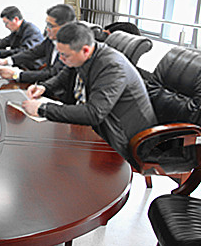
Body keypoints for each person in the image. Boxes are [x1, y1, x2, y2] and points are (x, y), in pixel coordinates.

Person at [21, 22, 157, 167]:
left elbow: (94, 113)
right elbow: (64, 75)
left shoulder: (112, 66)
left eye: (64, 55)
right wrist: (44, 87)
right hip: (99, 126)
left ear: (85, 50)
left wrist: (43, 109)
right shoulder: (86, 53)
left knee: (57, 161)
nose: (60, 59)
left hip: (124, 137)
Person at [0, 4, 76, 83]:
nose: (47, 29)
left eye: (50, 25)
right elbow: (33, 52)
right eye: (47, 25)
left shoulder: (73, 47)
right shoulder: (51, 40)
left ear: (65, 27)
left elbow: (52, 73)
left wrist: (16, 75)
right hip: (45, 84)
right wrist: (8, 61)